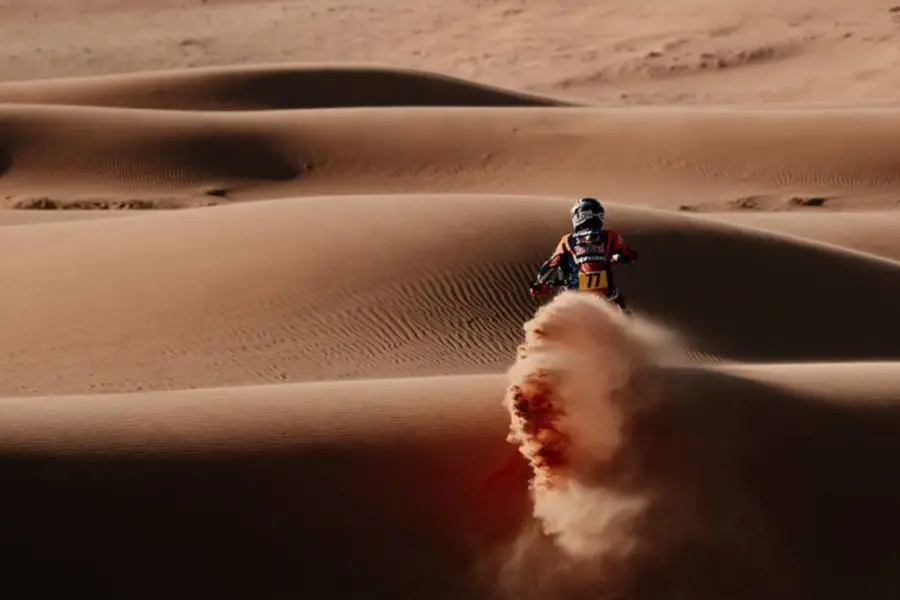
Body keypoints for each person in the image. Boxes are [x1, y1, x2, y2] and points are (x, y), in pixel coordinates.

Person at [529, 197, 639, 311]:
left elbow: (551, 264)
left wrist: (539, 283)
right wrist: (620, 258)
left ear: (579, 216)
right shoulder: (611, 236)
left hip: (575, 292)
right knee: (621, 305)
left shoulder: (567, 240)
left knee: (561, 289)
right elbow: (629, 255)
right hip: (606, 294)